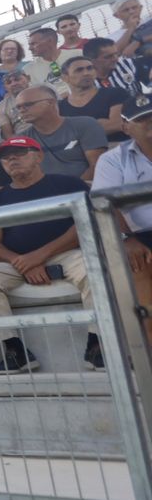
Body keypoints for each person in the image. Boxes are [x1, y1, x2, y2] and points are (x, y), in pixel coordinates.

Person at [0, 137, 100, 373]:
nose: (11, 159)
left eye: (20, 153)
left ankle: (97, 345)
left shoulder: (68, 184)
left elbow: (82, 227)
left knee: (96, 271)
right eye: (5, 156)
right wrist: (24, 263)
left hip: (66, 253)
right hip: (16, 261)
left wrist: (37, 257)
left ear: (38, 156)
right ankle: (15, 351)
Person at [92, 91, 152, 342]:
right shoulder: (112, 159)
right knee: (135, 263)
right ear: (126, 127)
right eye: (141, 119)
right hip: (141, 236)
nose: (149, 123)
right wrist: (127, 239)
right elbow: (103, 203)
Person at [13, 85, 106, 181]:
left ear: (51, 102)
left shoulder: (85, 124)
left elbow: (98, 165)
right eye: (18, 107)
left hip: (90, 186)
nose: (22, 110)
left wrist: (75, 188)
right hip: (47, 189)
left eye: (28, 104)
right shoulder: (21, 140)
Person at [58, 55, 129, 143]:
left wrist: (79, 131)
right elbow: (64, 137)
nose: (86, 73)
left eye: (90, 68)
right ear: (65, 78)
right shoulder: (60, 107)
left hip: (121, 145)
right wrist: (98, 124)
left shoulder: (115, 93)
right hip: (86, 151)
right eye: (79, 70)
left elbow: (117, 125)